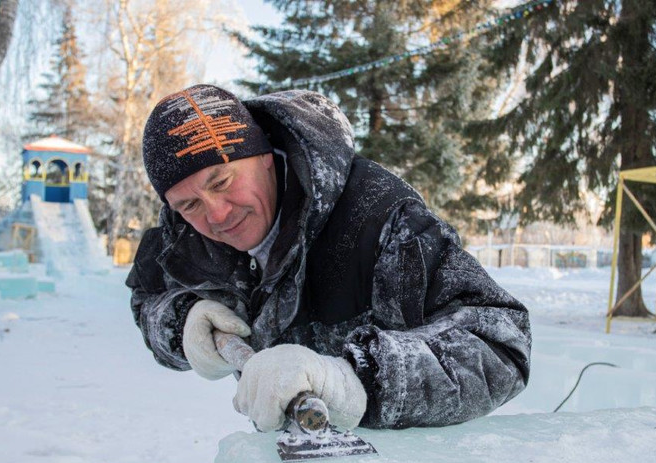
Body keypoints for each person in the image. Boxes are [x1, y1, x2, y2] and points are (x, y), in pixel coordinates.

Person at [127, 84, 531, 432]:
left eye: (222, 181)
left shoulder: (379, 219)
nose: (216, 215)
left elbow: (501, 345)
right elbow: (148, 299)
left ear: (264, 155)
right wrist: (182, 324)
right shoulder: (180, 238)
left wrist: (353, 378)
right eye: (190, 205)